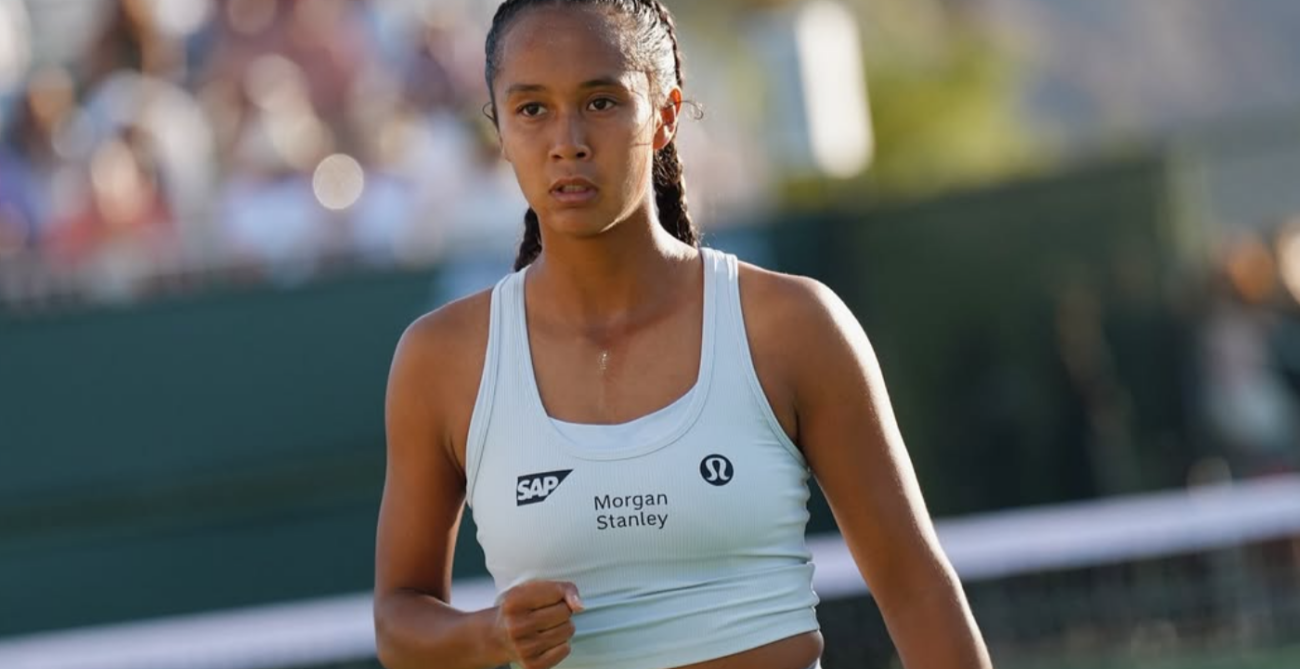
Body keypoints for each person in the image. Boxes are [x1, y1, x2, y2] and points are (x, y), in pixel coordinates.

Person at [373, 1, 992, 668]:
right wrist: (487, 633)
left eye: (602, 101)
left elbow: (918, 590)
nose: (568, 140)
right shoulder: (441, 360)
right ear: (497, 127)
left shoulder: (794, 326)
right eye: (531, 109)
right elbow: (399, 620)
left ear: (665, 113)